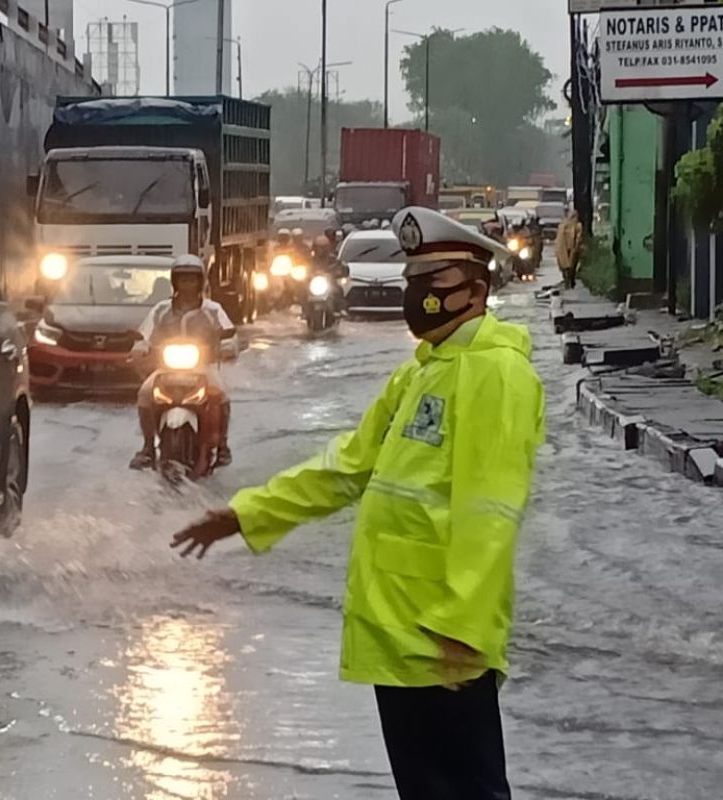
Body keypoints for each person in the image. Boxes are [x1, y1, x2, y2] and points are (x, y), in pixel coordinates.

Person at [169, 207, 546, 800]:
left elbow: (490, 508)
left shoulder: (494, 374)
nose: (416, 295)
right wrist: (249, 514)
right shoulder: (425, 371)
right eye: (413, 282)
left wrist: (464, 627)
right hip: (402, 635)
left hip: (444, 640)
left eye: (433, 284)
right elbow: (347, 467)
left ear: (476, 292)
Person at [130, 255, 236, 470]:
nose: (187, 284)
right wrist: (141, 347)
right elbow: (145, 334)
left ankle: (223, 446)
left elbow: (230, 333)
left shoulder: (213, 309)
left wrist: (228, 346)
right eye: (182, 279)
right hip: (165, 368)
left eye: (192, 279)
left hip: (203, 368)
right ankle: (148, 447)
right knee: (144, 393)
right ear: (174, 282)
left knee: (221, 394)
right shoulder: (161, 309)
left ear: (201, 281)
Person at [555, 209, 584, 289]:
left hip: (568, 250)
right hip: (568, 249)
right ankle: (569, 282)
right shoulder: (573, 226)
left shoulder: (563, 226)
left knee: (568, 267)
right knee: (570, 267)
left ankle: (568, 282)